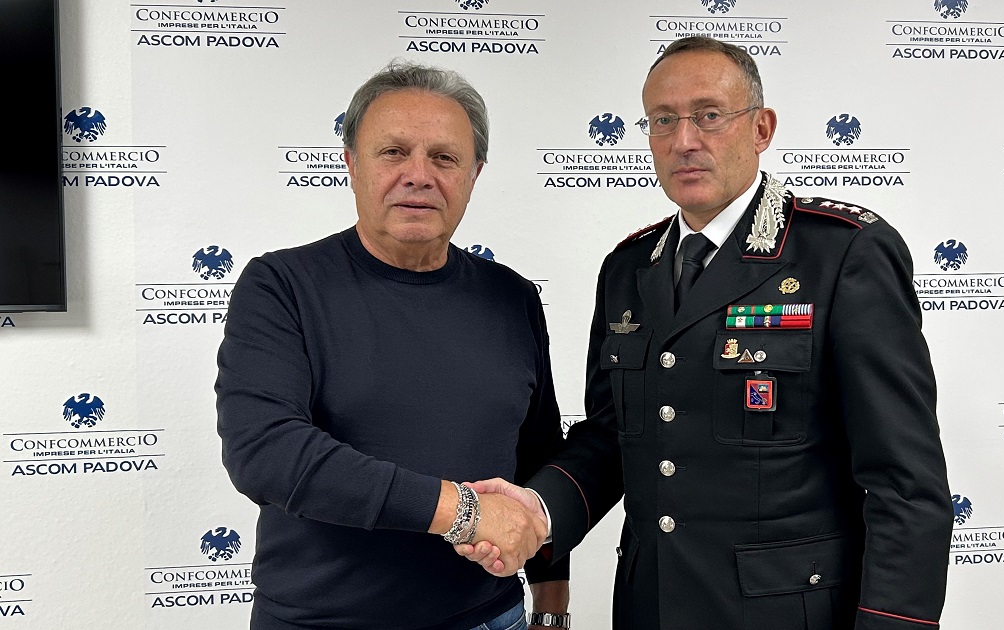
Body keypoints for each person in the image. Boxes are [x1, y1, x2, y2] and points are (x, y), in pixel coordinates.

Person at [459, 36, 953, 629]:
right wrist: (539, 509)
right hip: (650, 607)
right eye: (663, 120)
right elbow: (614, 437)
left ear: (762, 129)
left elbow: (905, 483)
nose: (684, 140)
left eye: (710, 116)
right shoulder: (629, 268)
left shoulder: (843, 254)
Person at [215, 61, 569, 630]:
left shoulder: (513, 296)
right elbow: (266, 453)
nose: (418, 175)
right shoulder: (281, 286)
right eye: (393, 152)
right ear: (352, 164)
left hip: (493, 617)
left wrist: (552, 609)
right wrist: (462, 512)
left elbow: (539, 462)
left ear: (474, 174)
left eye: (444, 158)